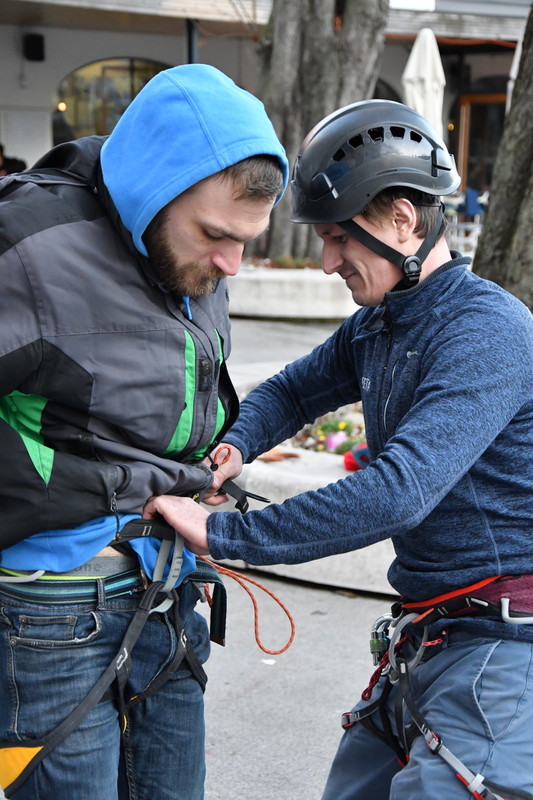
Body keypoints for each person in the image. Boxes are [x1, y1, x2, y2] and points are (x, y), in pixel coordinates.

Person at [145, 100, 533, 799]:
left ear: (401, 222)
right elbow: (290, 393)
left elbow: (396, 491)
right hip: (432, 633)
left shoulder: (486, 333)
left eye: (337, 239)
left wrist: (225, 532)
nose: (326, 263)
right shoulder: (382, 322)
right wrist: (232, 448)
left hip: (504, 654)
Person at [0, 64, 288, 800]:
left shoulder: (191, 260)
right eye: (217, 236)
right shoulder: (28, 245)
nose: (232, 264)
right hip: (50, 613)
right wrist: (76, 491)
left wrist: (204, 458)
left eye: (247, 241)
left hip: (168, 598)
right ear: (149, 189)